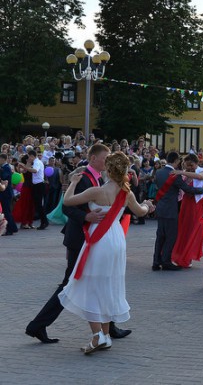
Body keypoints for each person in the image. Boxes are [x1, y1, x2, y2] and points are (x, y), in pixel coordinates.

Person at [26, 144, 130, 343]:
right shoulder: (83, 178)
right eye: (104, 158)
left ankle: (110, 328)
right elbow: (67, 208)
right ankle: (38, 325)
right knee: (71, 283)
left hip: (94, 240)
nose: (107, 161)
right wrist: (87, 217)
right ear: (92, 159)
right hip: (82, 239)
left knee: (99, 280)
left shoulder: (99, 179)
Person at [59, 151, 155, 353]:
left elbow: (67, 201)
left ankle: (97, 336)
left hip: (99, 240)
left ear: (109, 170)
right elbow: (140, 212)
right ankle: (106, 336)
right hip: (117, 239)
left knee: (90, 284)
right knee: (108, 284)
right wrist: (147, 205)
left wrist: (73, 182)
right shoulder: (126, 192)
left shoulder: (96, 191)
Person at [152, 152, 203, 271]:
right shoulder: (174, 175)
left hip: (160, 208)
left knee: (160, 236)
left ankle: (156, 261)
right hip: (170, 210)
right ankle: (166, 261)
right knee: (171, 237)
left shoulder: (159, 172)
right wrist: (202, 190)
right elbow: (187, 189)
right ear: (176, 161)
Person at [171, 154, 203, 268]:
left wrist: (182, 172)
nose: (189, 167)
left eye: (191, 165)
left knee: (192, 230)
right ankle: (181, 255)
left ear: (196, 163)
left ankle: (188, 256)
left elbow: (201, 177)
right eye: (187, 165)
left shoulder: (202, 170)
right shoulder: (186, 174)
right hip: (186, 203)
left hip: (196, 205)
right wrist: (184, 173)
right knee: (184, 229)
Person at [22, 150, 49, 230]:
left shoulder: (37, 162)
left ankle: (44, 222)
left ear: (32, 156)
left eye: (29, 156)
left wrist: (25, 167)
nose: (29, 158)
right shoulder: (38, 162)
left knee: (39, 205)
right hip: (37, 185)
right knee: (38, 205)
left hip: (39, 185)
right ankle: (44, 222)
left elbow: (35, 170)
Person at [0, 153, 17, 235]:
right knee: (6, 211)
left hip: (6, 193)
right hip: (4, 193)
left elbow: (4, 177)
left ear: (3, 159)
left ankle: (10, 229)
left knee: (6, 211)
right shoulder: (4, 167)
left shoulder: (6, 167)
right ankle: (13, 227)